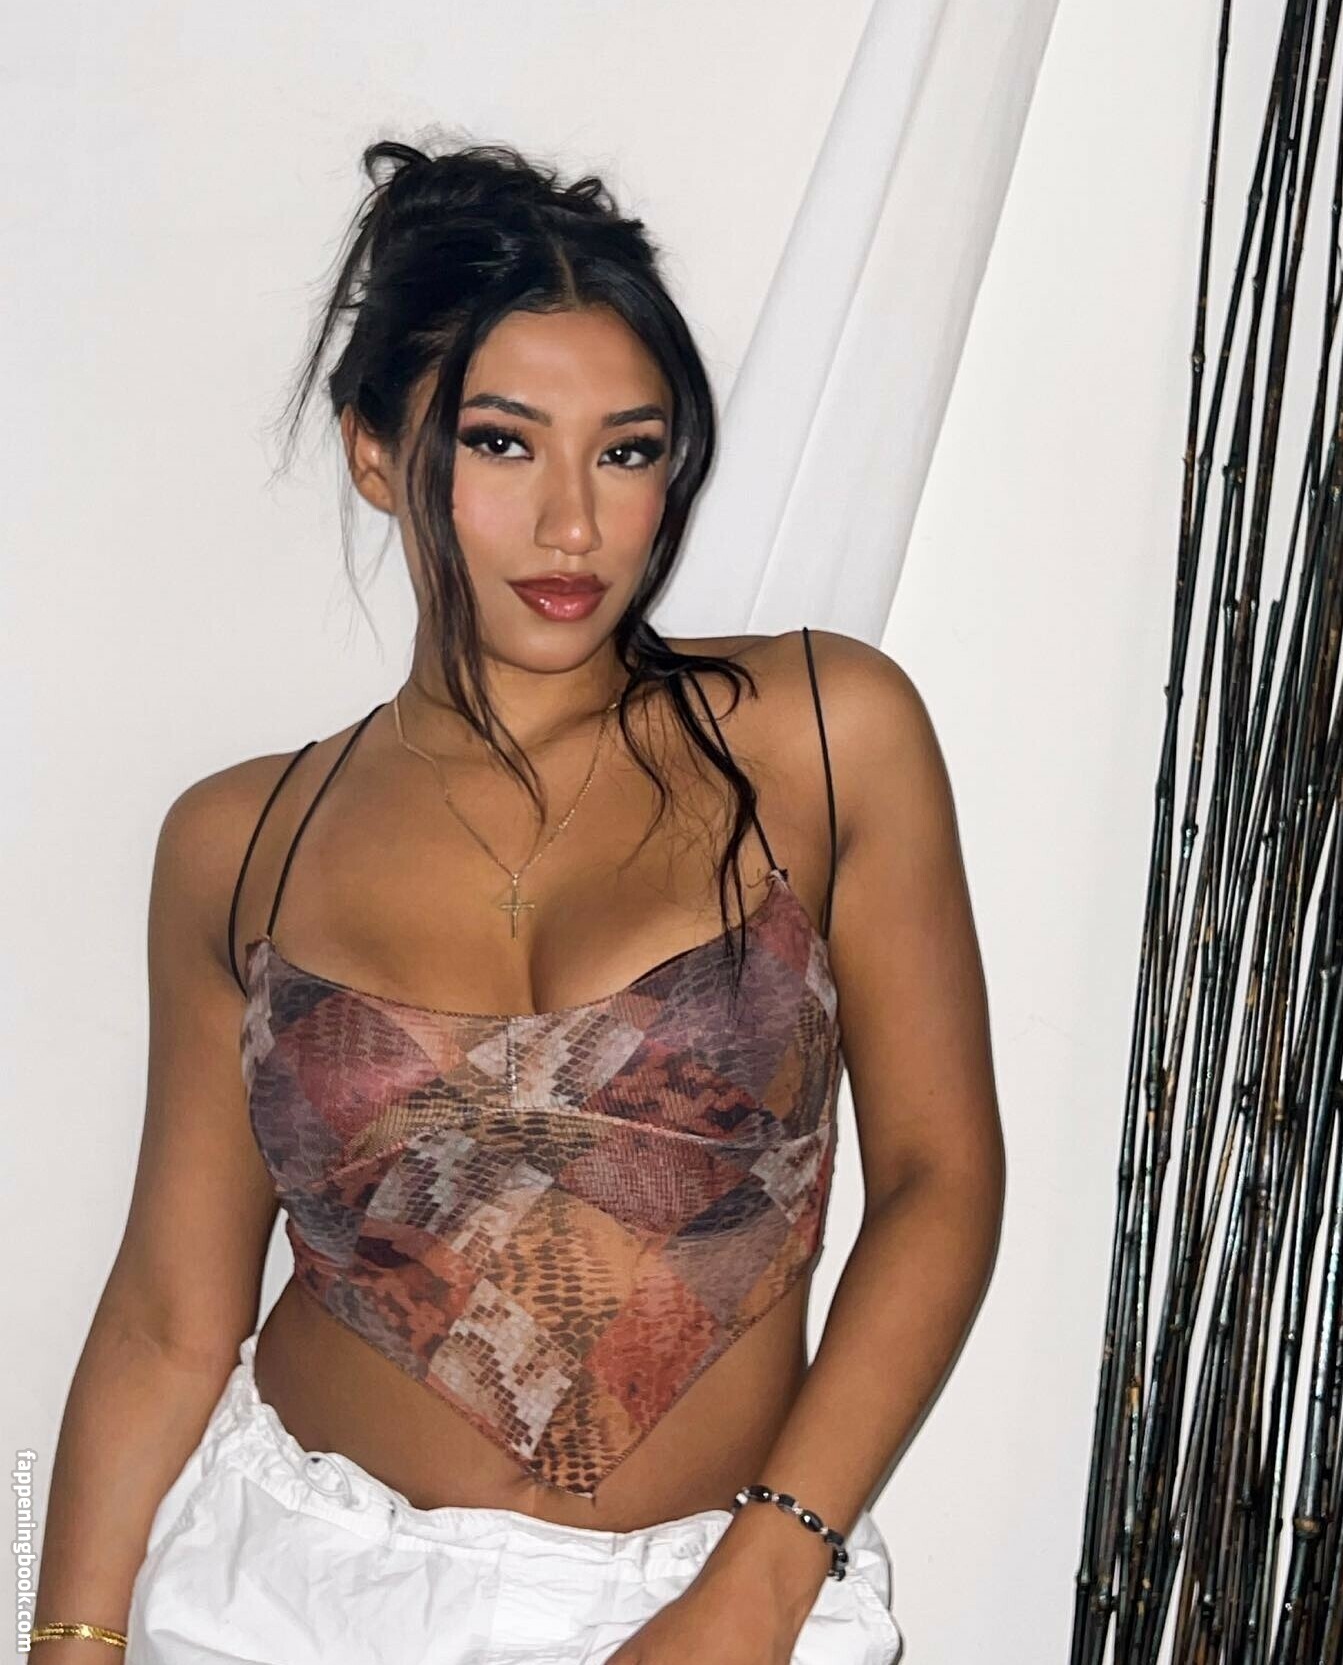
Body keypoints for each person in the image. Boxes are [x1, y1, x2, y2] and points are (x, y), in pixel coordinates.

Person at [31, 137, 1004, 1665]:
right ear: (375, 452)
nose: (572, 525)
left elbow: (943, 1180)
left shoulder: (827, 736)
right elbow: (168, 1318)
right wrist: (73, 1640)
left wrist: (759, 1585)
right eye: (501, 444)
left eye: (626, 451)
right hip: (293, 1600)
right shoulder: (241, 841)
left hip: (710, 1602)